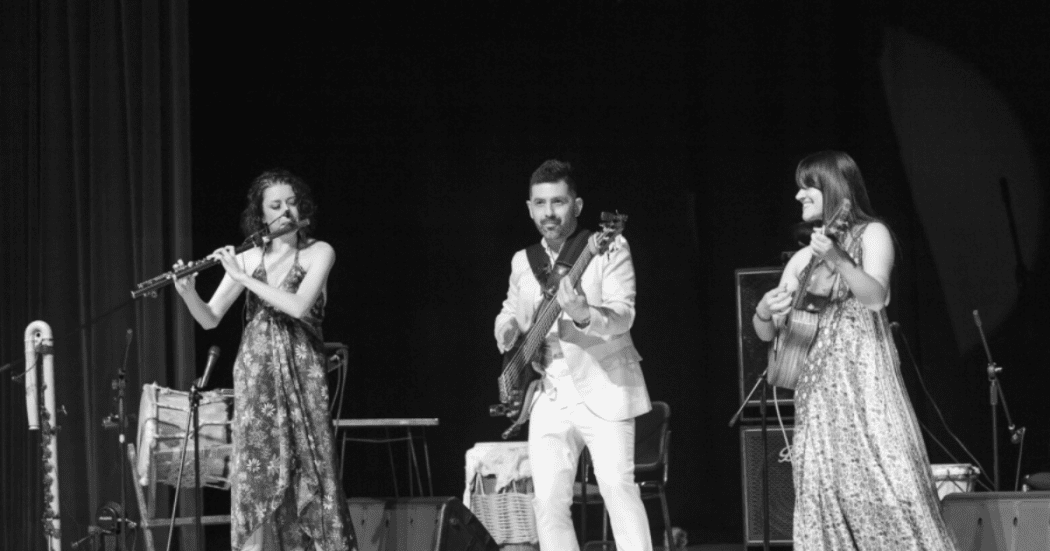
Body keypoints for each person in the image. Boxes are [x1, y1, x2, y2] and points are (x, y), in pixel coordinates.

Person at [753, 151, 957, 550]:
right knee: (824, 492)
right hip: (817, 394)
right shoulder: (802, 259)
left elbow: (876, 297)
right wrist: (763, 311)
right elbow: (768, 333)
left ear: (833, 187)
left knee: (886, 485)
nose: (798, 195)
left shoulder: (872, 234)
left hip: (865, 385)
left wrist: (838, 258)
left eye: (807, 186)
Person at [172, 170, 355, 551]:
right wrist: (188, 292)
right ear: (261, 215)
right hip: (256, 376)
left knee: (311, 466)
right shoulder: (248, 256)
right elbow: (210, 318)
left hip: (302, 373)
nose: (287, 211)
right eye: (276, 205)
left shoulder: (319, 252)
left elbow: (298, 306)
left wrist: (244, 277)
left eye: (292, 202)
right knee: (257, 470)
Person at [494, 159, 653, 550]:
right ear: (529, 208)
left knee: (617, 489)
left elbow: (624, 314)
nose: (549, 212)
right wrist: (507, 329)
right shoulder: (522, 261)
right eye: (540, 203)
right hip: (549, 391)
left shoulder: (608, 246)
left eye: (558, 202)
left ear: (577, 206)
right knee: (548, 501)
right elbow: (509, 310)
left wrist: (584, 314)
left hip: (605, 383)